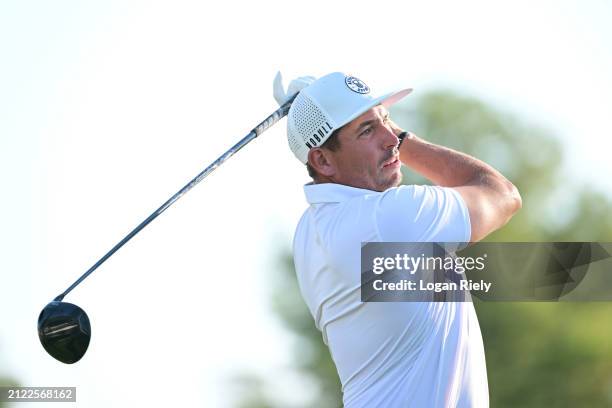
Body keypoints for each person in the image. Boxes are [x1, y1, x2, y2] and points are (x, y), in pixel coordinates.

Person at [273, 72, 522, 407]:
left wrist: (334, 112)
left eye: (386, 120)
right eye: (366, 130)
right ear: (322, 160)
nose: (391, 139)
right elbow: (501, 195)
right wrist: (406, 138)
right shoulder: (386, 218)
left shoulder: (310, 230)